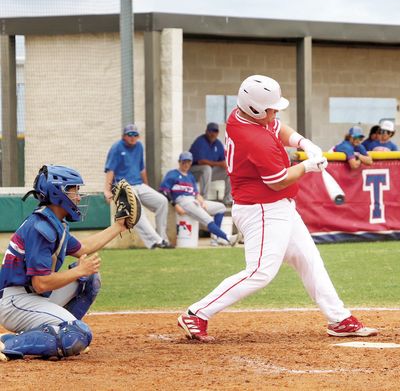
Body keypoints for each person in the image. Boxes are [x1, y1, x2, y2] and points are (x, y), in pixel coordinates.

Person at [177, 74, 378, 342]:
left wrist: (303, 143)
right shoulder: (252, 138)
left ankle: (339, 319)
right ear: (255, 108)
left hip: (278, 207)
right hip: (262, 208)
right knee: (261, 272)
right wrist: (307, 166)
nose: (275, 113)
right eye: (270, 109)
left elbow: (278, 127)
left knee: (309, 259)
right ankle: (197, 313)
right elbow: (277, 181)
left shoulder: (242, 116)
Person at [0, 165, 128, 361]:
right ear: (57, 192)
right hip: (15, 302)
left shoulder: (53, 222)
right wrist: (78, 271)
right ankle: (8, 343)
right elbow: (40, 284)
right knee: (78, 335)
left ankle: (54, 335)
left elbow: (83, 247)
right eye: (73, 190)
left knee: (89, 278)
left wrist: (119, 225)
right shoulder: (41, 227)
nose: (78, 197)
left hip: (31, 296)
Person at [103, 124, 171, 249]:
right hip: (123, 186)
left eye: (135, 135)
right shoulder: (116, 147)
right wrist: (107, 191)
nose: (132, 137)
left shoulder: (139, 146)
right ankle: (157, 241)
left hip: (139, 184)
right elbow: (110, 170)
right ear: (124, 136)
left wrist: (146, 186)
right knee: (137, 209)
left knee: (162, 201)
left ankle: (162, 238)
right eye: (130, 134)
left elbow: (142, 169)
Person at [159, 151, 239, 247]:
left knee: (221, 207)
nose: (186, 164)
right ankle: (228, 238)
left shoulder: (190, 177)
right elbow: (164, 191)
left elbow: (196, 193)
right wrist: (175, 205)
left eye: (188, 162)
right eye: (184, 161)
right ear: (179, 162)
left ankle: (215, 239)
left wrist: (201, 200)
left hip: (194, 200)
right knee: (207, 219)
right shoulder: (172, 174)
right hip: (183, 200)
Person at [189, 122, 233, 205]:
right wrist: (220, 164)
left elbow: (223, 161)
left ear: (218, 133)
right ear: (206, 131)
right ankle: (203, 198)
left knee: (229, 171)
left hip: (208, 174)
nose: (212, 133)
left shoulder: (218, 144)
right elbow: (200, 161)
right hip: (193, 173)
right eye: (210, 131)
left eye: (215, 131)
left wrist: (225, 165)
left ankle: (227, 199)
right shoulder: (200, 141)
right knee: (206, 168)